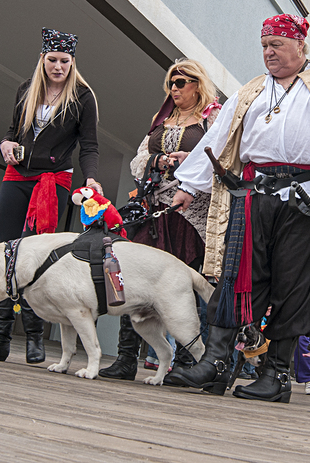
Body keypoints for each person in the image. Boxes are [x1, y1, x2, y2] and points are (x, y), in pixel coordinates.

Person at [163, 14, 310, 403]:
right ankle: (217, 363)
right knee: (235, 278)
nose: (269, 53)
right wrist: (190, 184)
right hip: (254, 195)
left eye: (277, 45)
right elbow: (221, 137)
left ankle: (277, 373)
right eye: (265, 46)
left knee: (295, 285)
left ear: (299, 45)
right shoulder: (253, 89)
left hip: (306, 201)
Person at [0, 28, 100, 364]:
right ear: (43, 59)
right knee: (4, 249)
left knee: (35, 256)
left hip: (53, 181)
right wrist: (6, 142)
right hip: (17, 175)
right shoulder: (27, 89)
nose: (58, 67)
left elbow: (90, 144)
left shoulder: (83, 96)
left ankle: (35, 339)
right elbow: (14, 129)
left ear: (72, 62)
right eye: (52, 60)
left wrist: (92, 177)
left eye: (64, 61)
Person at [98, 59, 221, 380]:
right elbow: (138, 161)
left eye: (181, 83)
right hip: (151, 213)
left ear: (198, 84)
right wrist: (159, 159)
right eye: (171, 83)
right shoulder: (161, 119)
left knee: (181, 286)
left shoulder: (213, 119)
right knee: (132, 279)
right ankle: (126, 359)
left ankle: (185, 362)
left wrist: (190, 161)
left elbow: (220, 162)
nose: (174, 89)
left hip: (189, 215)